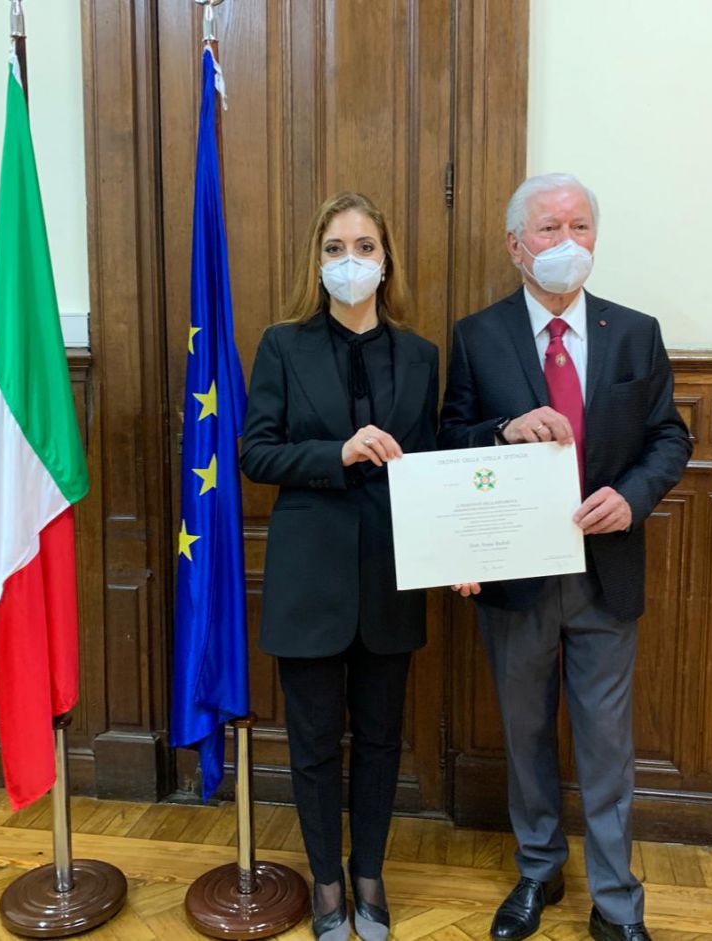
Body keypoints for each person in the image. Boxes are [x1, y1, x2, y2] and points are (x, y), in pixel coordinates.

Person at [439, 173, 692, 941]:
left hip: (604, 573)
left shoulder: (635, 332)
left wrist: (634, 497)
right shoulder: (477, 335)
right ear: (516, 245)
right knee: (525, 735)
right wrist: (502, 429)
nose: (567, 242)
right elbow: (449, 437)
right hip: (514, 574)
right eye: (549, 229)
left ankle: (616, 904)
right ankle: (540, 868)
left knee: (608, 745)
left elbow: (669, 436)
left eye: (580, 226)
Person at [241, 192, 438, 941]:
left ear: (386, 261)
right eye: (334, 248)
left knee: (382, 738)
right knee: (315, 740)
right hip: (309, 578)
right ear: (316, 261)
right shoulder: (282, 345)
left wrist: (459, 548)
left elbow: (432, 468)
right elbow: (257, 452)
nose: (348, 261)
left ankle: (369, 872)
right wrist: (338, 453)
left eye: (363, 246)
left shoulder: (420, 355)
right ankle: (327, 879)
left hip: (392, 574)